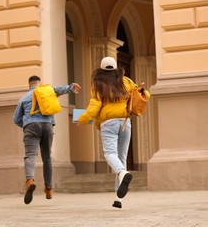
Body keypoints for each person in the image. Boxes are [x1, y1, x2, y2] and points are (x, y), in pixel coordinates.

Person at [76, 56, 150, 209]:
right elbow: (143, 94)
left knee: (110, 154)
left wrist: (82, 119)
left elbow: (94, 107)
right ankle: (119, 198)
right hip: (125, 122)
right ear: (116, 68)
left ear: (101, 69)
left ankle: (122, 173)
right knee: (121, 157)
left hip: (108, 123)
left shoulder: (98, 84)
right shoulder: (126, 81)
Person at [13, 76, 81, 204]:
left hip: (31, 126)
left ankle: (30, 181)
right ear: (40, 84)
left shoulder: (24, 97)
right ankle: (49, 188)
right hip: (48, 126)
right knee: (47, 158)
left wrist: (26, 125)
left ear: (29, 85)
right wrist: (71, 88)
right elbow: (60, 89)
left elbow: (16, 119)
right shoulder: (48, 91)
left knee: (30, 155)